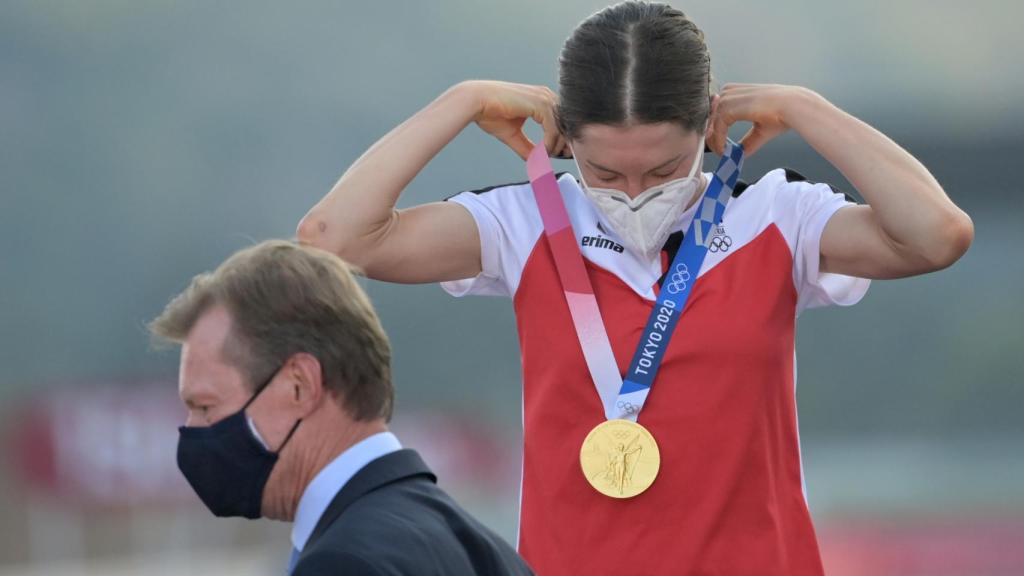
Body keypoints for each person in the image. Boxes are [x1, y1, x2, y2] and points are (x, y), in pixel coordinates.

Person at [296, 2, 974, 574]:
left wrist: (803, 107)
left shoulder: (777, 215)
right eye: (604, 172)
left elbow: (937, 234)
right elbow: (333, 239)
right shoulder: (526, 221)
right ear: (564, 142)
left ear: (709, 127)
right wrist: (463, 100)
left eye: (663, 168)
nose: (634, 194)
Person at [148, 240, 533, 576]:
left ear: (299, 386)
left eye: (204, 406)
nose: (191, 429)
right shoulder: (490, 554)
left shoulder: (344, 563)